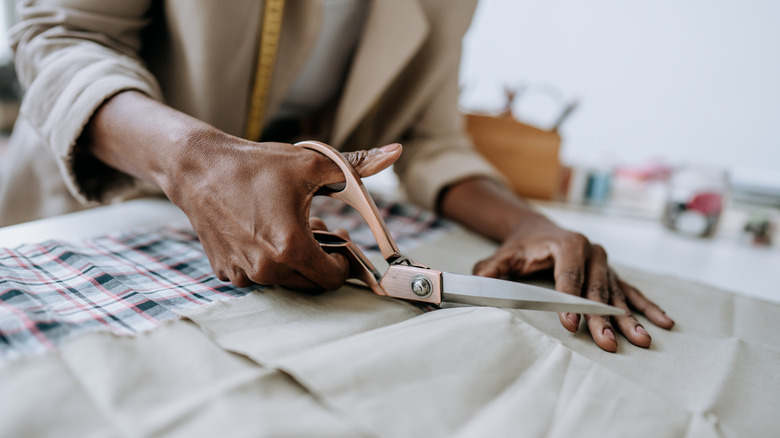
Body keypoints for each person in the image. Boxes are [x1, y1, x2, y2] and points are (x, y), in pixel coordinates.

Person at [0, 0, 673, 352]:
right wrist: (194, 162)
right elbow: (59, 40)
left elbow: (428, 135)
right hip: (89, 203)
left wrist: (531, 223)